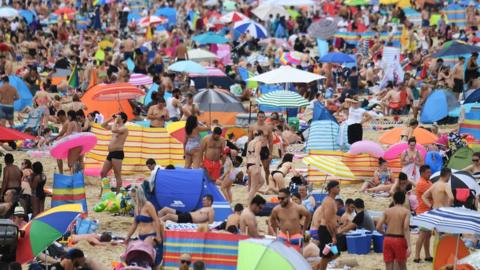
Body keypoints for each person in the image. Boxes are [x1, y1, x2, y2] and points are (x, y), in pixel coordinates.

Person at [125, 186, 162, 267]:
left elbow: (156, 220)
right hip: (141, 236)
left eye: (135, 196)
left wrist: (158, 236)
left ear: (140, 195)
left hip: (151, 235)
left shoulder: (148, 205)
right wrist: (127, 236)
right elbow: (134, 224)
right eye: (132, 196)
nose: (133, 198)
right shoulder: (136, 207)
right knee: (135, 254)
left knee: (143, 253)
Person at [376, 191, 411, 270]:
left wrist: (384, 233)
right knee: (402, 264)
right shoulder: (406, 212)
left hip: (387, 239)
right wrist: (409, 246)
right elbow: (406, 228)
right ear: (404, 200)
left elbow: (378, 227)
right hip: (399, 239)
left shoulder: (387, 211)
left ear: (394, 200)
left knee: (388, 264)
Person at [100, 112, 129, 193]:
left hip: (118, 153)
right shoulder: (115, 126)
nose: (117, 116)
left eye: (118, 116)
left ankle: (118, 193)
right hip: (111, 153)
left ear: (122, 119)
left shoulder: (124, 128)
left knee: (117, 174)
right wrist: (111, 118)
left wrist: (115, 121)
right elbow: (102, 125)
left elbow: (113, 130)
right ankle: (103, 191)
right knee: (103, 173)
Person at [316, 181, 341, 270]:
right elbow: (328, 221)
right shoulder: (329, 201)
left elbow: (331, 219)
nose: (339, 189)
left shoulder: (332, 200)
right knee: (326, 255)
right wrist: (333, 236)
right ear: (331, 189)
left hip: (328, 231)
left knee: (336, 253)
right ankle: (320, 267)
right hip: (326, 231)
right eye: (337, 187)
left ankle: (317, 267)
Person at [248, 111, 273, 185]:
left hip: (264, 148)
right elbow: (249, 140)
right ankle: (253, 183)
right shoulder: (252, 127)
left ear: (264, 117)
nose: (261, 118)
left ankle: (268, 183)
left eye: (262, 117)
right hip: (255, 149)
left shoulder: (268, 127)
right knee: (254, 168)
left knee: (266, 168)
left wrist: (270, 154)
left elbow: (271, 142)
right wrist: (249, 152)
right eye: (260, 117)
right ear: (257, 117)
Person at [414, 165, 433, 264]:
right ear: (422, 173)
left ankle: (427, 255)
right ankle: (416, 256)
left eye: (430, 172)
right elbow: (433, 192)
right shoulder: (422, 183)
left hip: (427, 211)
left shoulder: (428, 181)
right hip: (423, 212)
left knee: (427, 235)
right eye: (428, 172)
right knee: (422, 235)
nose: (429, 174)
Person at [246, 129, 266, 202]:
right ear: (261, 135)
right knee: (253, 187)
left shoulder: (250, 142)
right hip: (254, 164)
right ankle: (249, 200)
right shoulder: (258, 142)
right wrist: (258, 168)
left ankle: (250, 195)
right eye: (263, 136)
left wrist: (246, 167)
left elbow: (247, 155)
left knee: (262, 181)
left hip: (249, 164)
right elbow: (257, 155)